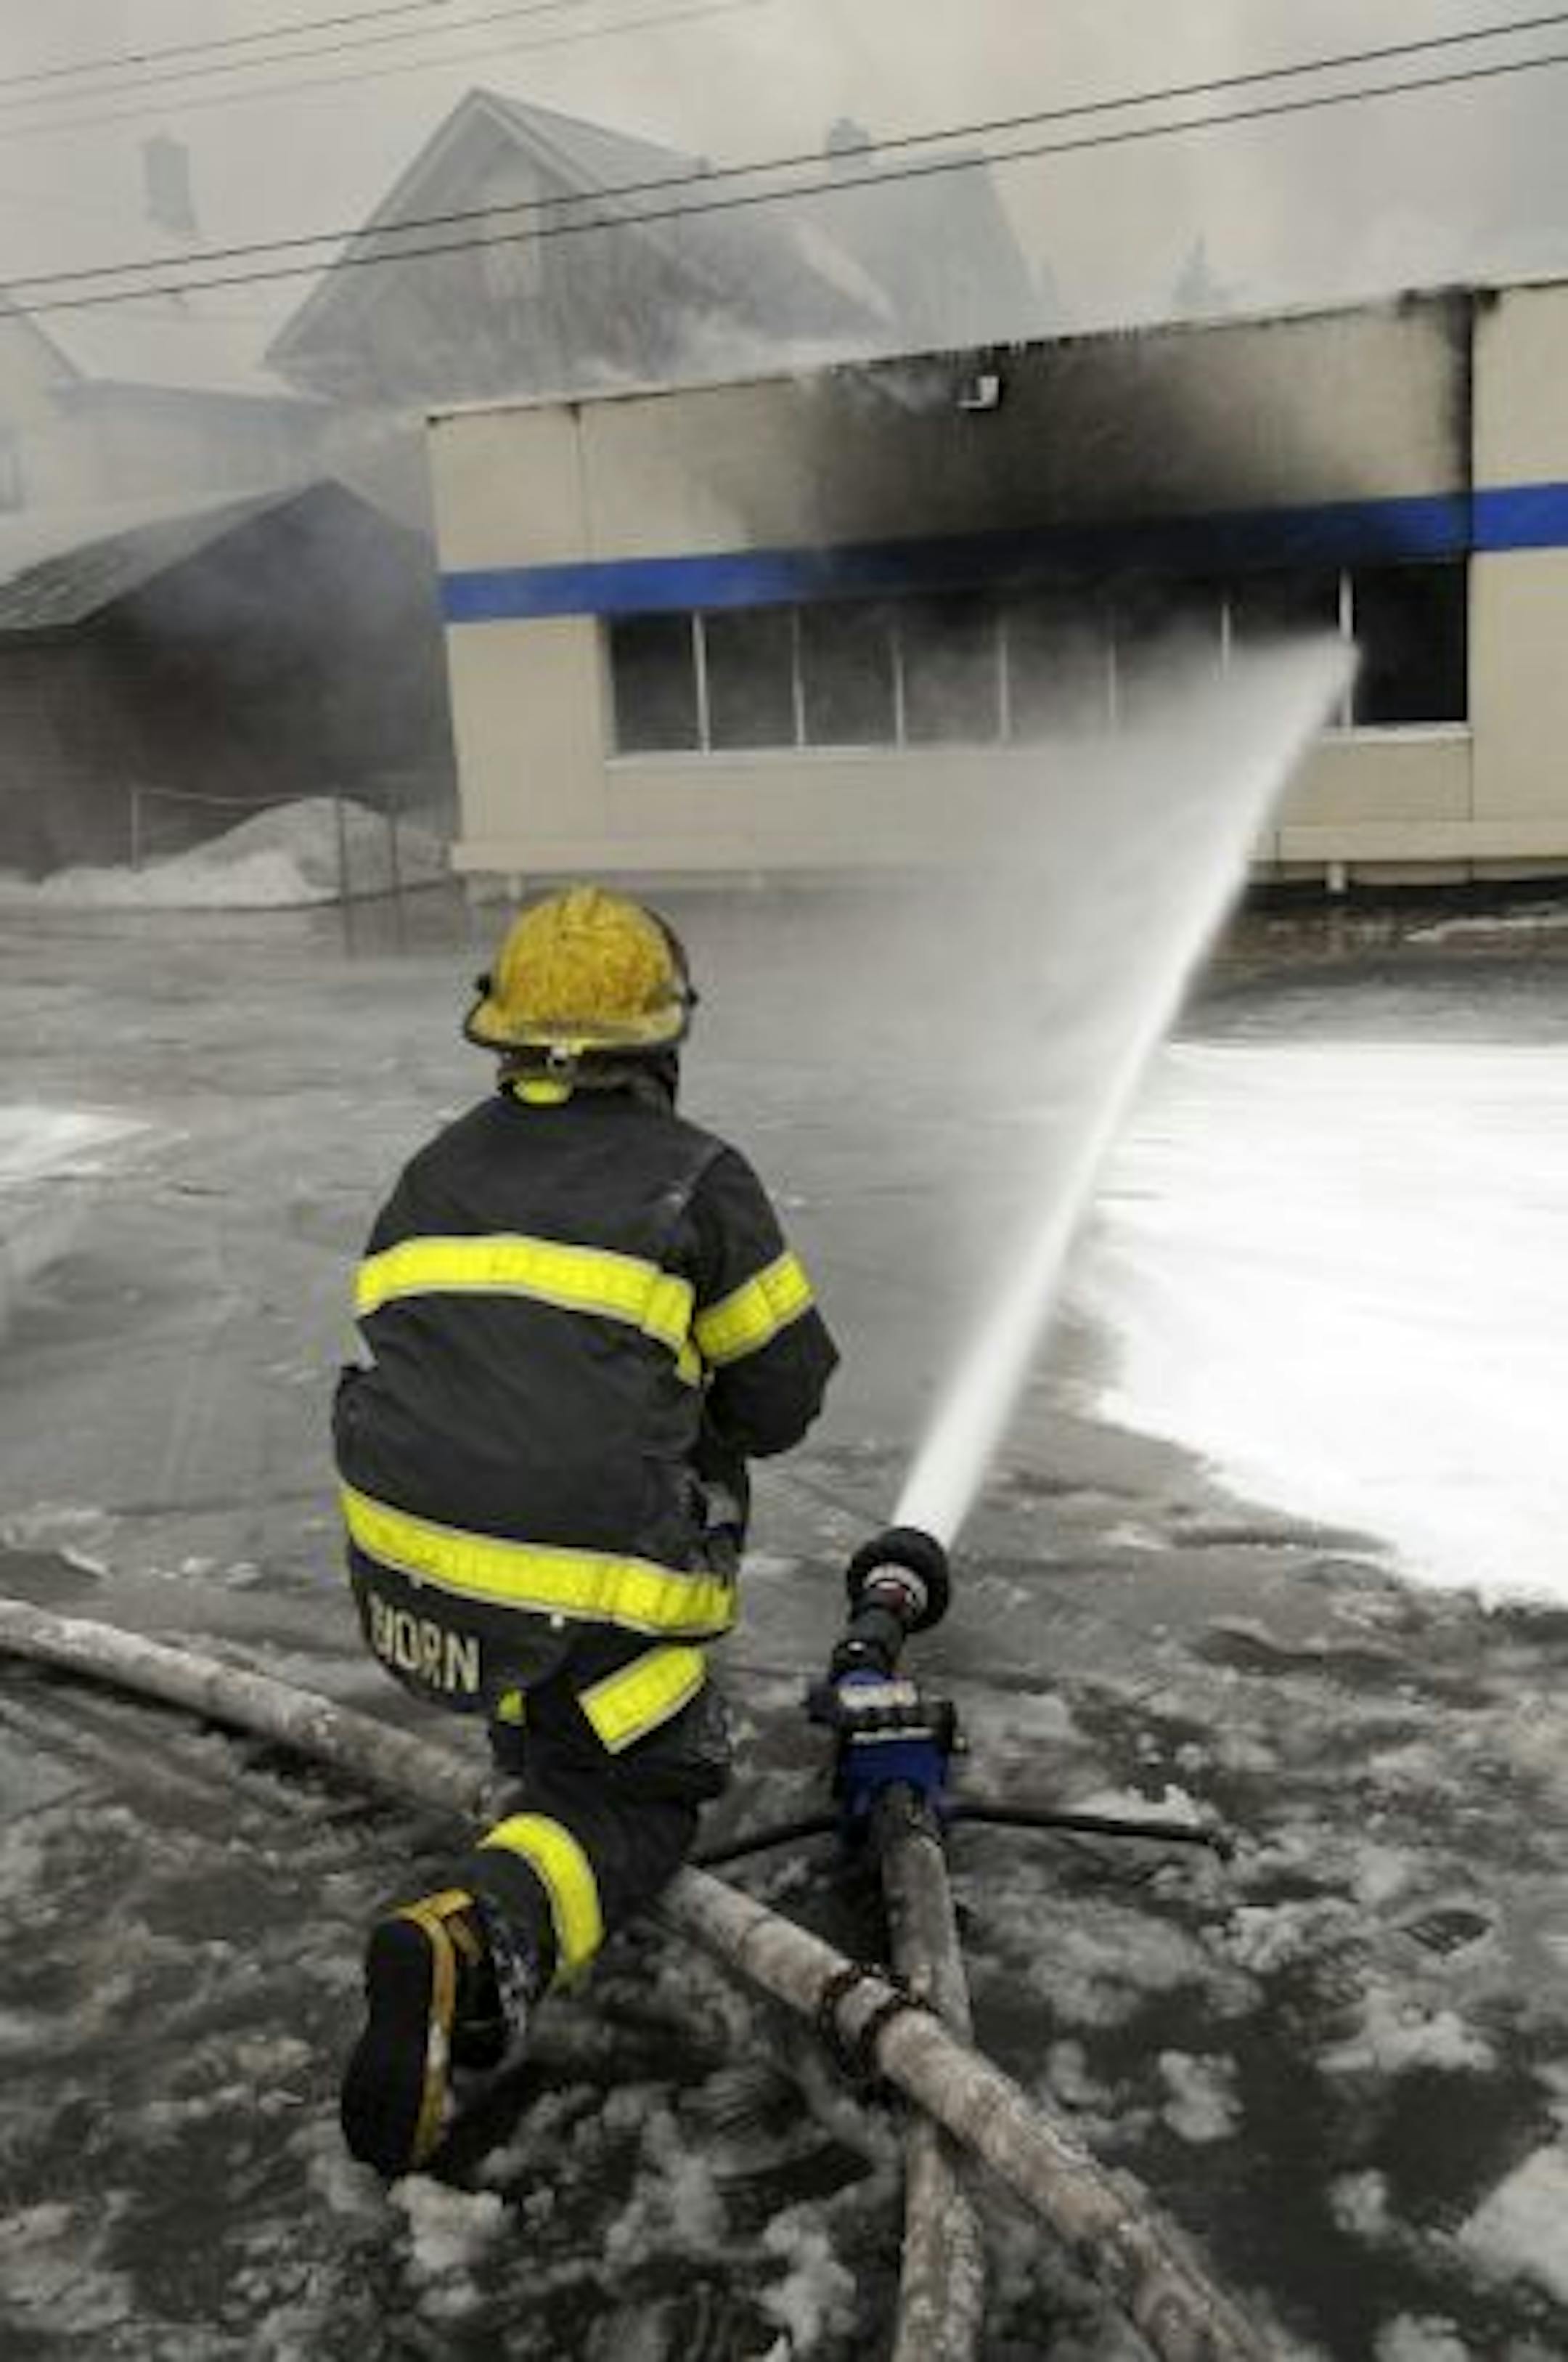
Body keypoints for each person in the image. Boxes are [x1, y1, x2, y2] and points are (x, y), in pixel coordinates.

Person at [333, 884, 838, 2177]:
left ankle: (539, 1743)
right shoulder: (698, 1179)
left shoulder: (433, 1167)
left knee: (542, 1454)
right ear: (659, 1043)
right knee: (639, 1801)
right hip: (575, 1596)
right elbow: (781, 1400)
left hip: (412, 1581)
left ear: (505, 1041)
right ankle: (474, 1935)